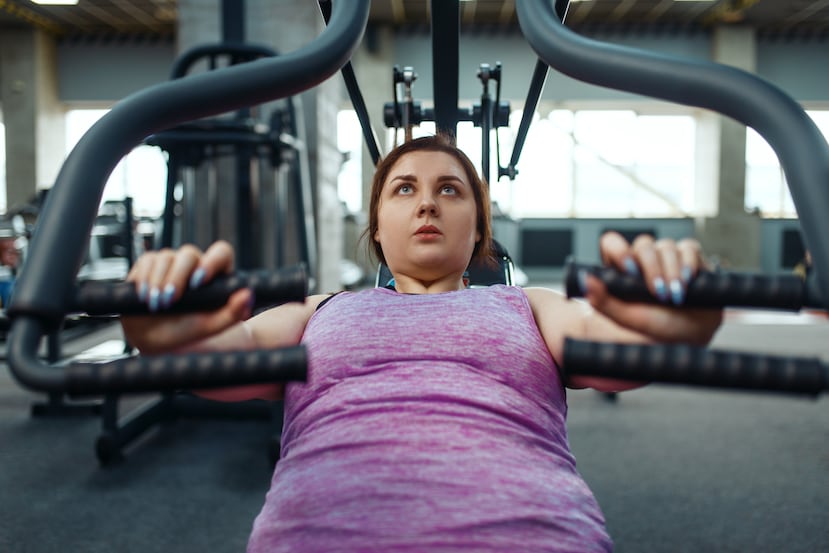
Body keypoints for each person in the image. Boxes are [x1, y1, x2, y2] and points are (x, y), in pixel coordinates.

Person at [121, 134, 723, 552]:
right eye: (404, 189)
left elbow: (613, 347)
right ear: (378, 228)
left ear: (479, 226)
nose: (428, 201)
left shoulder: (529, 304)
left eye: (451, 190)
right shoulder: (321, 309)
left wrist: (663, 321)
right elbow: (231, 352)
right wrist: (169, 335)